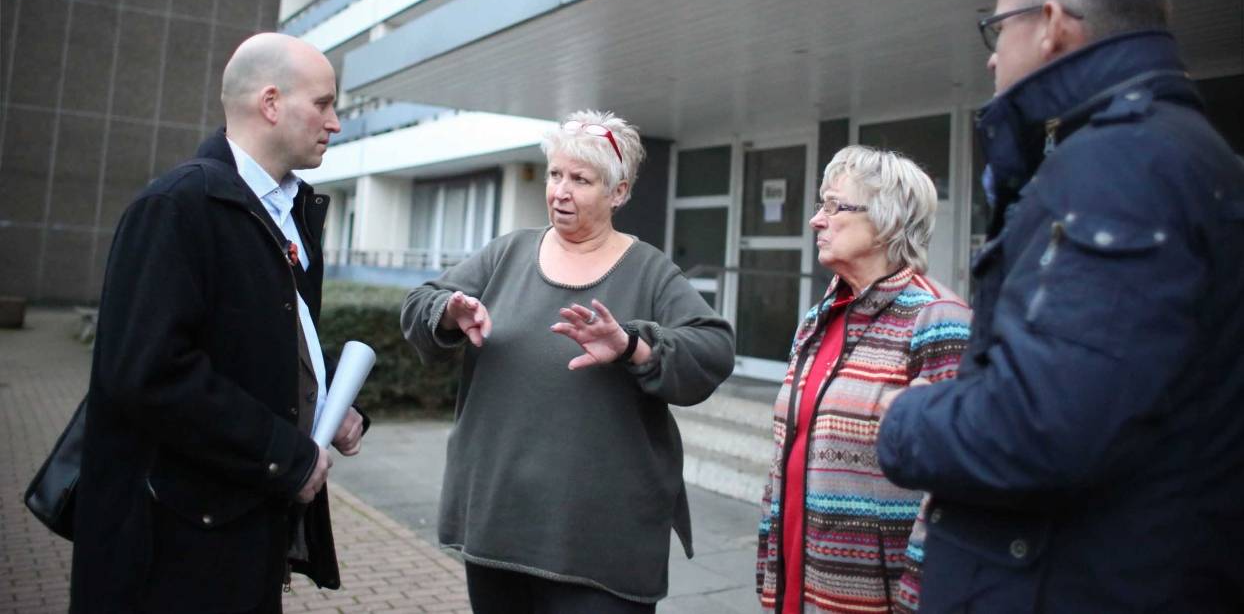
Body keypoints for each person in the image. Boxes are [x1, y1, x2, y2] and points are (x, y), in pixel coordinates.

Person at [876, 0, 1244, 612]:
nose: (991, 59)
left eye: (998, 28)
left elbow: (1041, 425)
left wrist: (906, 418)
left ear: (1050, 26)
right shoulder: (1176, 152)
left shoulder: (1120, 164)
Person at [71, 32, 368, 613]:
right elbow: (148, 374)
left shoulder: (292, 212)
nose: (335, 123)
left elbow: (259, 339)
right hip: (173, 548)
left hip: (243, 529)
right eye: (324, 103)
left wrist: (327, 398)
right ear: (271, 103)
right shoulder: (175, 209)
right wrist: (288, 456)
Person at [401, 109, 734, 613]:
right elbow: (420, 304)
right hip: (497, 523)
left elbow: (712, 350)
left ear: (618, 192)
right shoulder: (506, 254)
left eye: (581, 179)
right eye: (556, 174)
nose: (560, 190)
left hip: (601, 540)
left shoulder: (648, 270)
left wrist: (631, 346)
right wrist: (447, 312)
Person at [756, 146, 971, 614]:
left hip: (876, 599)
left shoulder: (939, 319)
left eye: (834, 206)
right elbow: (788, 453)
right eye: (820, 205)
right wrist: (767, 560)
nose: (817, 220)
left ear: (887, 221)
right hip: (794, 588)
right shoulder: (818, 319)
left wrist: (920, 596)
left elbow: (955, 484)